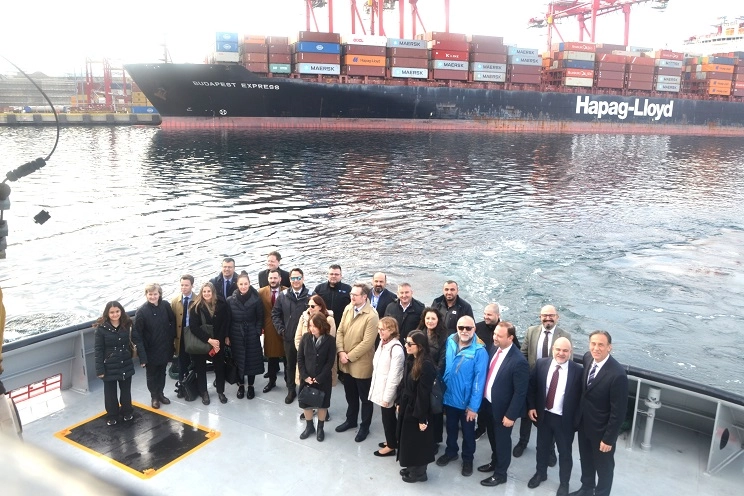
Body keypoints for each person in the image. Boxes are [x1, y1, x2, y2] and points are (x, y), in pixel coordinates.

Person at [571, 331, 629, 496]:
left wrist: (609, 438)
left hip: (602, 431)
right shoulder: (588, 358)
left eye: (601, 345)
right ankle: (586, 488)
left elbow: (619, 412)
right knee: (586, 460)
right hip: (584, 425)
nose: (596, 348)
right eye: (593, 344)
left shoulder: (618, 375)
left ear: (609, 347)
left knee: (604, 468)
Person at [515, 305, 572, 462]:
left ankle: (550, 449)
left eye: (551, 315)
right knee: (527, 415)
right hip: (533, 382)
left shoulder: (565, 336)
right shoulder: (531, 331)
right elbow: (523, 354)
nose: (548, 318)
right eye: (545, 315)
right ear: (540, 317)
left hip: (553, 383)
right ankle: (522, 442)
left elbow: (569, 361)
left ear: (557, 317)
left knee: (550, 418)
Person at [527, 337, 583, 496]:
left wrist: (576, 422)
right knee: (541, 448)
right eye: (558, 349)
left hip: (564, 421)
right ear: (553, 349)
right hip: (544, 416)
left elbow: (582, 399)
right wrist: (531, 407)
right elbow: (532, 387)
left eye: (565, 350)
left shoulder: (578, 371)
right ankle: (541, 473)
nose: (561, 353)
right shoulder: (541, 364)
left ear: (570, 352)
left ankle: (564, 483)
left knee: (565, 453)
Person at [435, 315, 488, 477]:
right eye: (461, 327)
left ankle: (468, 459)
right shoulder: (451, 340)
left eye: (468, 328)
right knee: (450, 428)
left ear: (474, 329)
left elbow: (479, 382)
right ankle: (451, 452)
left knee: (468, 433)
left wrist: (473, 407)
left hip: (466, 402)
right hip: (449, 397)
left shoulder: (480, 351)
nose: (464, 331)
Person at [479, 321, 530, 487]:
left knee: (502, 443)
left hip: (504, 412)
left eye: (499, 336)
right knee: (493, 438)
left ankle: (501, 474)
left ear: (510, 338)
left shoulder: (519, 361)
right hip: (488, 405)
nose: (495, 338)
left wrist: (511, 415)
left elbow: (520, 392)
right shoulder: (494, 348)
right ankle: (494, 462)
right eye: (494, 334)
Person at [335, 283, 379, 442]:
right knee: (350, 394)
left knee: (365, 398)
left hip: (361, 363)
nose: (351, 297)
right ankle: (351, 420)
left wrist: (348, 356)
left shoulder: (372, 316)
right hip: (345, 360)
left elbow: (367, 342)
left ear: (364, 297)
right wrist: (341, 351)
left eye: (355, 295)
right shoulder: (348, 308)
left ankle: (364, 426)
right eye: (351, 294)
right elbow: (340, 331)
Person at [397, 330, 437, 483]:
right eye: (405, 342)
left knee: (418, 441)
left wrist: (421, 418)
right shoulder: (411, 359)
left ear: (419, 346)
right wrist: (399, 401)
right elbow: (404, 383)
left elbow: (423, 394)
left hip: (418, 408)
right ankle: (410, 467)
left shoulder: (426, 365)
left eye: (410, 343)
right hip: (408, 404)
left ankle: (419, 473)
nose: (406, 346)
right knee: (408, 439)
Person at [94, 301, 139, 425]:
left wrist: (143, 359)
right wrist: (100, 369)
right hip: (109, 365)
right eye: (112, 312)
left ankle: (127, 411)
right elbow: (98, 350)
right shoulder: (101, 329)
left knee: (126, 391)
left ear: (121, 311)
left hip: (125, 362)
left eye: (117, 311)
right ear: (107, 314)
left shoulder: (128, 325)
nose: (115, 314)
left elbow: (136, 340)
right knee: (110, 393)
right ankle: (112, 415)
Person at [294, 294, 337, 420]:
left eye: (313, 306)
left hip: (322, 366)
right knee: (306, 393)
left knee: (322, 395)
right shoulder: (304, 318)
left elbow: (329, 348)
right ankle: (309, 414)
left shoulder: (329, 320)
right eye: (308, 306)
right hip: (307, 361)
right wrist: (305, 351)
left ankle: (322, 414)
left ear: (320, 306)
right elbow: (298, 337)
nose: (310, 308)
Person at [133, 283, 175, 409]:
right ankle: (154, 397)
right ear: (146, 295)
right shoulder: (142, 311)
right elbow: (137, 335)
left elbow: (172, 321)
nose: (153, 297)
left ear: (159, 294)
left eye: (155, 294)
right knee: (152, 375)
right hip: (150, 349)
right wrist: (142, 356)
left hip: (165, 347)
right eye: (150, 294)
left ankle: (161, 394)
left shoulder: (165, 305)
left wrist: (171, 338)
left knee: (162, 372)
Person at [272, 267, 311, 404]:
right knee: (290, 365)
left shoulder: (310, 295)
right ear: (289, 280)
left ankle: (305, 390)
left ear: (303, 278)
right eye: (293, 278)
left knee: (307, 365)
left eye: (298, 278)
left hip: (306, 339)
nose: (296, 281)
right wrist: (281, 330)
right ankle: (291, 389)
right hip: (288, 337)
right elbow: (275, 314)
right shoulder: (283, 296)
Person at [297, 313, 337, 442]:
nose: (312, 328)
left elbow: (330, 362)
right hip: (307, 378)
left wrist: (319, 378)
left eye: (315, 326)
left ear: (322, 326)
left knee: (322, 404)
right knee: (306, 403)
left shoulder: (330, 340)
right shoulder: (305, 337)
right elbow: (300, 358)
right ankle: (309, 427)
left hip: (323, 379)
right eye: (310, 326)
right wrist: (305, 376)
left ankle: (320, 428)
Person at [369, 317, 405, 457]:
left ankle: (391, 446)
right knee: (388, 418)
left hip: (387, 391)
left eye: (383, 329)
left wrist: (387, 398)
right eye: (379, 329)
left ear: (392, 330)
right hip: (381, 387)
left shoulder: (396, 349)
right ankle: (393, 440)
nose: (380, 332)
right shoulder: (383, 343)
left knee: (388, 419)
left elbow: (394, 376)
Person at [188, 282, 229, 405]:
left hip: (217, 342)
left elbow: (225, 323)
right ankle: (204, 392)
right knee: (200, 368)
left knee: (219, 367)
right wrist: (209, 340)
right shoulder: (195, 307)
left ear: (213, 292)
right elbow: (194, 327)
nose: (206, 294)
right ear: (201, 293)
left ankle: (220, 391)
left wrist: (217, 342)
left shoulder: (222, 305)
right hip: (202, 342)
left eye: (209, 291)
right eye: (204, 291)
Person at [225, 272, 264, 400]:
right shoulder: (230, 300)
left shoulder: (256, 299)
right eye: (241, 284)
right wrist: (227, 336)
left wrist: (257, 331)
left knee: (252, 360)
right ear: (237, 285)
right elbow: (228, 320)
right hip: (236, 333)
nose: (243, 286)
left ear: (249, 284)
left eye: (245, 284)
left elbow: (260, 317)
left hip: (251, 332)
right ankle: (241, 385)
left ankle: (251, 386)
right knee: (238, 360)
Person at [415, 307, 448, 446]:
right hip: (418, 375)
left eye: (433, 318)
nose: (430, 321)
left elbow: (443, 360)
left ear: (438, 320)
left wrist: (433, 376)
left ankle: (435, 440)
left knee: (434, 409)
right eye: (427, 318)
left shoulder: (443, 338)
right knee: (421, 406)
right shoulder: (418, 333)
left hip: (433, 378)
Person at [474, 302, 501, 439]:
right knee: (481, 400)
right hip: (480, 370)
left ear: (498, 315)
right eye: (485, 314)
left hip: (497, 372)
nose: (486, 317)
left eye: (489, 314)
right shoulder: (477, 327)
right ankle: (481, 427)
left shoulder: (505, 330)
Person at [258, 269, 286, 393]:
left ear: (280, 279)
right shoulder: (261, 292)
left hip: (284, 326)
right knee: (271, 356)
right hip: (269, 328)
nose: (273, 280)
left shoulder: (287, 291)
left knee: (287, 356)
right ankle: (272, 381)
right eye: (271, 278)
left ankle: (289, 382)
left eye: (275, 278)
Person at [171, 275, 195, 397]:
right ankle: (182, 386)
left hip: (193, 336)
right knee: (182, 362)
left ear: (192, 286)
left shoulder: (197, 300)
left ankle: (195, 386)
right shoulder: (175, 301)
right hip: (180, 337)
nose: (184, 287)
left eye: (186, 285)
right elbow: (172, 320)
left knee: (195, 361)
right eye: (182, 285)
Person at [313, 264, 351, 329]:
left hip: (341, 324)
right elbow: (313, 305)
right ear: (328, 275)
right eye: (331, 274)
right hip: (322, 324)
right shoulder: (319, 288)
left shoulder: (347, 289)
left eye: (336, 274)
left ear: (341, 276)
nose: (333, 276)